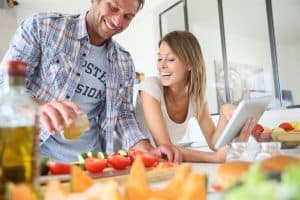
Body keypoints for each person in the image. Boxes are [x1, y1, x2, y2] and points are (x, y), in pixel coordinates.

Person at [0, 0, 181, 162]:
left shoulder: (123, 62)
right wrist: (39, 108)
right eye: (113, 7)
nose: (117, 21)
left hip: (90, 164)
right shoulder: (42, 27)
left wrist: (147, 149)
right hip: (35, 161)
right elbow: (4, 85)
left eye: (128, 16)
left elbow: (124, 116)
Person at [135, 31, 255, 162]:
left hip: (163, 165)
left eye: (170, 59)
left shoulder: (196, 99)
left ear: (190, 64)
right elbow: (165, 148)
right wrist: (214, 158)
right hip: (135, 162)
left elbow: (214, 144)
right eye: (159, 58)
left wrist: (224, 113)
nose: (161, 65)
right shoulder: (150, 87)